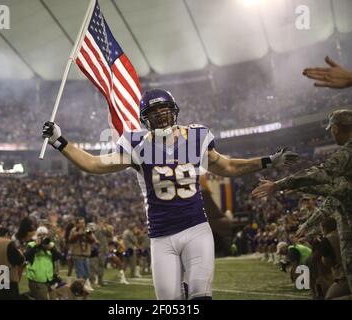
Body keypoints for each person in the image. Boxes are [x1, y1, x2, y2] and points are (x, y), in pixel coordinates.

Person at [42, 88, 299, 300]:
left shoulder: (196, 136)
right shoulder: (137, 146)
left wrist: (267, 161)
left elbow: (229, 166)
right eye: (153, 113)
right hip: (161, 236)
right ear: (145, 119)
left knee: (200, 296)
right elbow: (93, 164)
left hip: (196, 229)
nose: (161, 117)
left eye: (164, 111)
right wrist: (59, 142)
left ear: (174, 111)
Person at [252, 109, 352, 293]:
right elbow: (336, 195)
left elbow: (324, 174)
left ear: (336, 129)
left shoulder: (348, 152)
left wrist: (280, 184)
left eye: (332, 130)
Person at [25, 226, 63, 300]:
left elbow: (59, 256)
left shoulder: (50, 245)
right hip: (37, 280)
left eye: (44, 235)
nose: (42, 237)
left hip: (49, 280)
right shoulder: (32, 244)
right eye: (40, 235)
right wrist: (36, 246)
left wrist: (51, 249)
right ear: (36, 236)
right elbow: (26, 256)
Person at [69, 217, 96, 292]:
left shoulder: (87, 230)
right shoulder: (74, 230)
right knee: (80, 273)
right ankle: (81, 289)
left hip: (86, 255)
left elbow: (92, 241)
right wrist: (78, 234)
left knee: (87, 273)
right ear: (77, 224)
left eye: (83, 223)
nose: (82, 225)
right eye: (80, 223)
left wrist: (88, 235)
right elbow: (71, 240)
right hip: (77, 255)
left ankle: (82, 286)